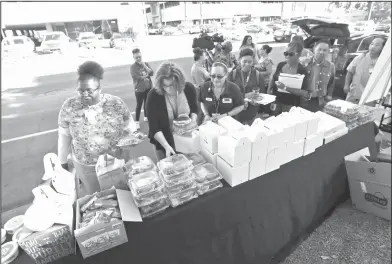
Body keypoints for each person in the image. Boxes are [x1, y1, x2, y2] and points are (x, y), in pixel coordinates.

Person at [58, 61, 136, 196]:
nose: (84, 94)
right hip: (87, 167)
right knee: (97, 199)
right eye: (81, 91)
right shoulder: (69, 106)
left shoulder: (115, 103)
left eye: (89, 90)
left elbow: (130, 127)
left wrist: (133, 138)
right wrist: (62, 161)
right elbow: (64, 136)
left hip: (116, 163)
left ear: (99, 89)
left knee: (122, 196)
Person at [146, 62, 198, 160]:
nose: (169, 89)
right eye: (165, 86)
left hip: (186, 140)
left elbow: (194, 109)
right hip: (164, 143)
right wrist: (166, 146)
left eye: (173, 85)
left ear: (179, 81)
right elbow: (154, 127)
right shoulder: (153, 95)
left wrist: (193, 122)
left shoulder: (189, 89)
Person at [268, 42, 310, 114]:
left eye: (291, 54)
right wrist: (269, 91)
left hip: (291, 106)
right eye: (286, 53)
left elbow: (305, 92)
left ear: (299, 55)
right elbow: (273, 79)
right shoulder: (281, 65)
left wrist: (285, 88)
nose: (287, 56)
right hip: (276, 102)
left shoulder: (302, 70)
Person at [228, 48, 265, 125]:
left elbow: (262, 95)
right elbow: (227, 94)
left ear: (253, 61)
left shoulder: (258, 76)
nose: (247, 64)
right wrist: (244, 96)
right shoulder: (232, 75)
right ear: (239, 60)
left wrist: (257, 102)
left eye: (250, 62)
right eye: (244, 61)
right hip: (235, 114)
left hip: (251, 115)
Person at [344, 37, 387, 104]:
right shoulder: (360, 58)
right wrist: (346, 85)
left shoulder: (382, 63)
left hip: (369, 97)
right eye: (372, 44)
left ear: (383, 48)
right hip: (354, 93)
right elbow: (350, 72)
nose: (373, 47)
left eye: (377, 45)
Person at [302, 39, 336, 112]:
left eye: (325, 50)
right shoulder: (304, 62)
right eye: (319, 49)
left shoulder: (331, 66)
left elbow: (332, 82)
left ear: (328, 52)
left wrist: (329, 95)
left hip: (320, 101)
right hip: (303, 101)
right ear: (314, 49)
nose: (321, 52)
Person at [130, 48, 153, 130]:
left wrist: (145, 67)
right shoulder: (133, 67)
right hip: (139, 89)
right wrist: (145, 76)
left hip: (148, 87)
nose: (139, 59)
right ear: (134, 58)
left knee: (147, 103)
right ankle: (136, 122)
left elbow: (152, 73)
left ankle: (146, 116)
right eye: (137, 57)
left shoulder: (145, 64)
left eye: (139, 56)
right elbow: (136, 77)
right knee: (139, 105)